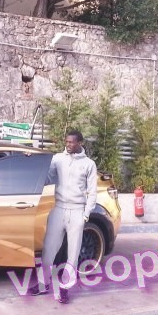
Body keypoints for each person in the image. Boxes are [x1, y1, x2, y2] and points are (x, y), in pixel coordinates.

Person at [28, 129, 97, 304]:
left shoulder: (89, 164)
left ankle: (65, 288)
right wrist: (34, 168)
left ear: (80, 143)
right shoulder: (57, 159)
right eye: (66, 141)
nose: (68, 144)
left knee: (72, 254)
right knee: (48, 250)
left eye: (71, 142)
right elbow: (47, 178)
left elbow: (92, 192)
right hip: (58, 208)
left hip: (77, 211)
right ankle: (43, 284)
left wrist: (85, 216)